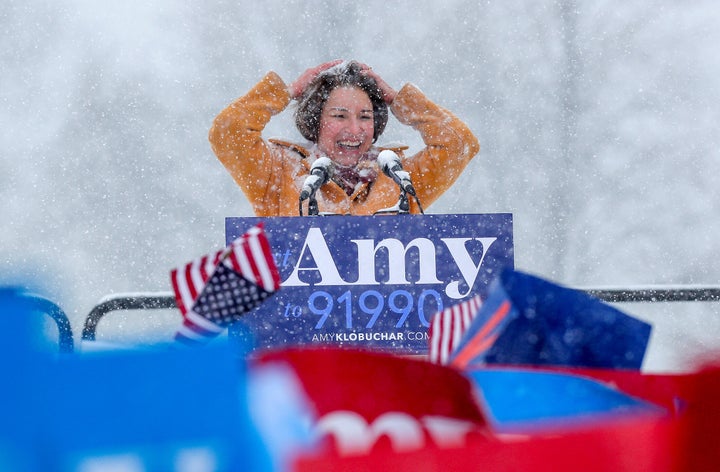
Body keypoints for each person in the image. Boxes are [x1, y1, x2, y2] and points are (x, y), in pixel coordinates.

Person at [209, 60, 479, 216]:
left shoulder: (399, 174)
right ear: (315, 120)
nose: (354, 129)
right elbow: (227, 132)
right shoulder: (277, 173)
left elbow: (460, 145)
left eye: (365, 116)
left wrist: (398, 100)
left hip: (387, 314)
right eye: (339, 116)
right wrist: (289, 91)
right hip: (298, 314)